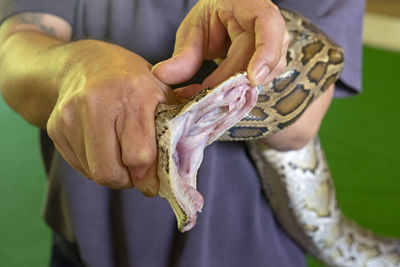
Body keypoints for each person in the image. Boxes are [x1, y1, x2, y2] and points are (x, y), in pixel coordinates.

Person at [0, 0, 364, 266]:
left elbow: (298, 128)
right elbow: (14, 47)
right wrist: (74, 67)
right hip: (85, 244)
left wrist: (256, 58)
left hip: (248, 252)